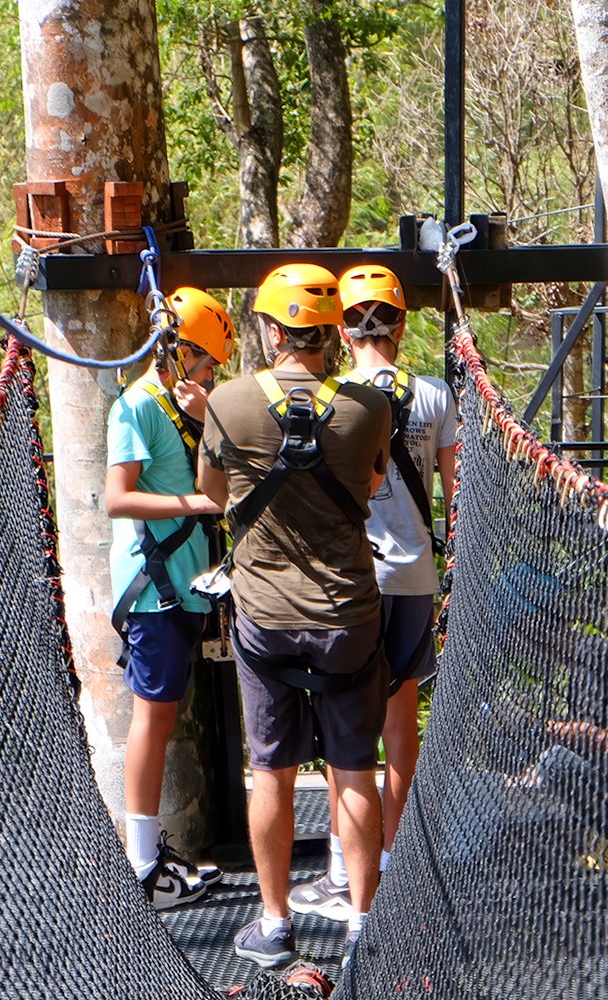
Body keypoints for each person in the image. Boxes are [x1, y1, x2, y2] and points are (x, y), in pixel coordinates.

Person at [197, 263, 392, 968]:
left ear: (272, 330)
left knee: (273, 768)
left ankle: (275, 921)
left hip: (266, 618)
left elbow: (212, 491)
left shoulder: (228, 401)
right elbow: (370, 484)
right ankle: (364, 923)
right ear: (329, 331)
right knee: (353, 767)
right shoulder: (371, 406)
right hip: (347, 615)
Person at [287, 264, 458, 923]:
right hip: (413, 575)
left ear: (340, 326)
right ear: (402, 323)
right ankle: (391, 863)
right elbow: (457, 492)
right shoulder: (437, 396)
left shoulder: (325, 396)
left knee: (344, 725)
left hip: (349, 580)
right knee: (399, 724)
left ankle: (342, 870)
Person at [105, 286, 235, 910]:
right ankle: (140, 866)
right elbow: (117, 498)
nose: (211, 373)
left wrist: (212, 415)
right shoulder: (135, 407)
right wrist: (196, 505)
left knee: (163, 714)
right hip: (154, 588)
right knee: (152, 719)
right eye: (207, 361)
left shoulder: (190, 408)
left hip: (185, 584)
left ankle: (151, 856)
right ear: (180, 353)